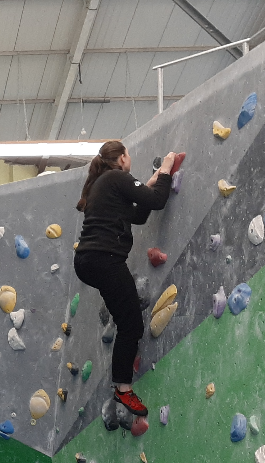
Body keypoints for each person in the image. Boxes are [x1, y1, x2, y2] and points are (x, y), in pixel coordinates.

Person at [73, 141, 175, 417]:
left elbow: (139, 215)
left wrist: (153, 181)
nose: (130, 158)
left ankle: (122, 387)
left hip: (89, 261)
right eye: (128, 154)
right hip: (103, 260)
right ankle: (123, 390)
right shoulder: (117, 177)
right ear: (121, 159)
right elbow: (157, 201)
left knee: (126, 321)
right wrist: (166, 170)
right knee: (131, 326)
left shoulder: (103, 186)